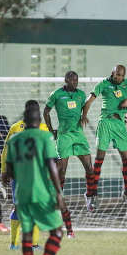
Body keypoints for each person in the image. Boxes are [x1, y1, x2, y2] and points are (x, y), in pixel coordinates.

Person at [6, 100, 66, 255]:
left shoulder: (14, 140)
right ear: (39, 119)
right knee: (57, 232)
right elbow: (52, 166)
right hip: (41, 193)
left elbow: (9, 173)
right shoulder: (44, 137)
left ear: (23, 120)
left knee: (27, 235)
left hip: (21, 194)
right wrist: (58, 192)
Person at [1, 104, 74, 249]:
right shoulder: (17, 129)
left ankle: (30, 244)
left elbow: (52, 157)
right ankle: (15, 244)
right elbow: (7, 151)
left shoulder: (41, 131)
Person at [81, 64, 127, 210]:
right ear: (112, 73)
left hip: (120, 125)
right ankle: (91, 195)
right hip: (105, 123)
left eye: (121, 75)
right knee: (99, 160)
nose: (119, 78)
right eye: (117, 75)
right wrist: (84, 115)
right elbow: (89, 100)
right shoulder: (104, 84)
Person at [43, 71, 94, 211]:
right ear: (66, 80)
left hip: (78, 134)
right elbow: (46, 111)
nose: (74, 83)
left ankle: (89, 196)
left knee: (90, 168)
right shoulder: (57, 94)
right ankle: (57, 200)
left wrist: (84, 115)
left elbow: (85, 106)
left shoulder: (81, 94)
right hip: (64, 135)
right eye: (72, 80)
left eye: (76, 80)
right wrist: (50, 129)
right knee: (61, 171)